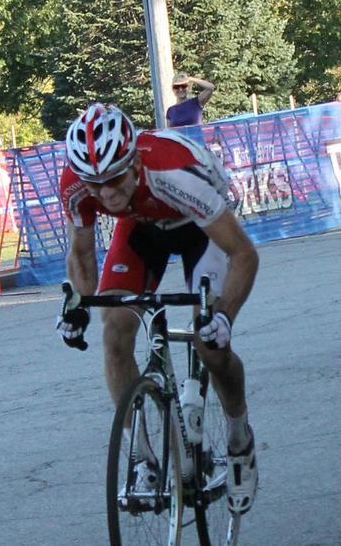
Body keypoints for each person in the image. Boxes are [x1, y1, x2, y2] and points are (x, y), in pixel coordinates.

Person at [56, 103, 260, 514]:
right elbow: (82, 256)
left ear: (133, 161)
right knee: (113, 331)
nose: (107, 194)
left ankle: (240, 440)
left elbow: (243, 254)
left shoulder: (173, 173)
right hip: (141, 227)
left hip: (196, 225)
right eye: (96, 186)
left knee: (210, 346)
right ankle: (142, 459)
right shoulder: (78, 184)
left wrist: (223, 316)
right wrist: (77, 306)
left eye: (114, 179)